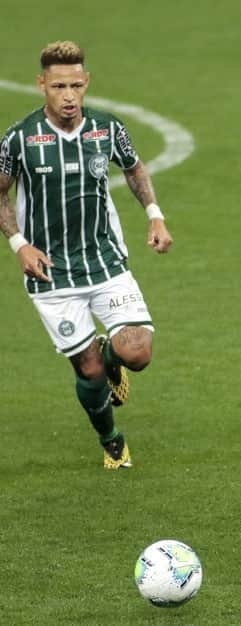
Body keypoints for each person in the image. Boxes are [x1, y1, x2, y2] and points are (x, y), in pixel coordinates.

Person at [0, 41, 173, 469]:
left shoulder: (107, 128)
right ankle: (111, 439)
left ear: (87, 82)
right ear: (41, 84)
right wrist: (19, 244)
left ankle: (112, 357)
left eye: (76, 85)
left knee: (137, 352)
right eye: (59, 86)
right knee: (90, 371)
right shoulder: (20, 139)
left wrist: (155, 216)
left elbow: (133, 167)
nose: (69, 95)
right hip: (51, 274)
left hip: (104, 261)